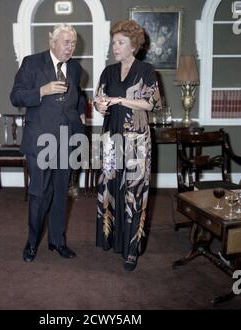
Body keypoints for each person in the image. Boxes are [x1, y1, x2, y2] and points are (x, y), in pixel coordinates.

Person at [10, 24, 85, 262]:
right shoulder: (31, 63)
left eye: (73, 43)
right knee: (40, 193)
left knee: (61, 193)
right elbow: (16, 96)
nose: (70, 47)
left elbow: (79, 95)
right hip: (40, 141)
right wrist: (41, 90)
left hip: (67, 139)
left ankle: (57, 241)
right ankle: (31, 243)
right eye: (66, 42)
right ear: (52, 42)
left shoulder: (75, 68)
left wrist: (82, 112)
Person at [94, 20, 162, 271]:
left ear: (134, 46)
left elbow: (151, 104)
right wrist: (99, 106)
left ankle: (131, 250)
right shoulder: (108, 71)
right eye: (114, 42)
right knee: (112, 187)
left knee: (134, 193)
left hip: (137, 141)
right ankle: (111, 238)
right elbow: (99, 100)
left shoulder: (146, 70)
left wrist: (120, 99)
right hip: (111, 138)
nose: (115, 47)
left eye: (120, 43)